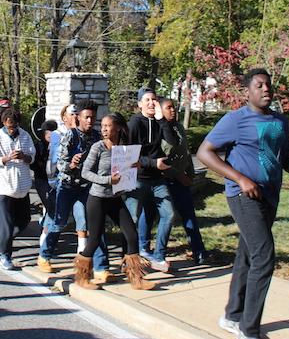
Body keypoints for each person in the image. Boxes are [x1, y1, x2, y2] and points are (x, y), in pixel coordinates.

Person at [197, 68, 289, 339]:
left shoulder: (279, 121)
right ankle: (248, 331)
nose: (266, 89)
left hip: (270, 196)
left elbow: (284, 156)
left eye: (268, 85)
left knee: (248, 255)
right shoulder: (236, 119)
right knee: (264, 256)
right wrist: (239, 178)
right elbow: (205, 152)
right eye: (259, 85)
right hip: (243, 195)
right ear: (247, 91)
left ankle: (233, 315)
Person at [79, 113, 155, 290]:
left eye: (108, 126)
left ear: (118, 128)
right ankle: (81, 278)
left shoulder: (125, 149)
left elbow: (127, 171)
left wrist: (135, 167)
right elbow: (85, 172)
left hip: (115, 199)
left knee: (132, 235)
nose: (104, 129)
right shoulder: (98, 147)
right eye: (103, 126)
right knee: (94, 240)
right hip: (97, 199)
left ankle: (136, 278)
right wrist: (107, 180)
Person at [38, 100, 109, 278]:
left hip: (87, 187)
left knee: (94, 224)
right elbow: (59, 164)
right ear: (78, 118)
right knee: (59, 222)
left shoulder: (96, 137)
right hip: (67, 186)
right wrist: (72, 163)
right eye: (87, 117)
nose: (90, 121)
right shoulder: (69, 135)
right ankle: (44, 256)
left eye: (93, 118)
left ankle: (101, 267)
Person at [143, 98, 209, 265]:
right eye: (169, 108)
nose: (173, 110)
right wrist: (178, 175)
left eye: (174, 107)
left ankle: (199, 252)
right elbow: (160, 158)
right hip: (161, 180)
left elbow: (186, 154)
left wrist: (190, 175)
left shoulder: (178, 128)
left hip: (181, 181)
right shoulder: (157, 130)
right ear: (161, 110)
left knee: (188, 215)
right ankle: (145, 249)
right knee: (151, 215)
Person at [126, 88, 177, 273]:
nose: (150, 103)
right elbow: (129, 154)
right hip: (138, 179)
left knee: (169, 214)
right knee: (133, 218)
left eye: (154, 100)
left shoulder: (159, 123)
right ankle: (130, 257)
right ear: (139, 104)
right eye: (146, 100)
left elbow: (172, 142)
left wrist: (161, 120)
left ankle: (159, 256)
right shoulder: (134, 123)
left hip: (157, 180)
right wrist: (153, 163)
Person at [0, 108, 36, 270]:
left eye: (14, 126)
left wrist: (23, 156)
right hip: (4, 189)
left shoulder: (25, 136)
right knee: (6, 226)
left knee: (24, 221)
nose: (12, 129)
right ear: (3, 123)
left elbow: (32, 157)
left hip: (22, 187)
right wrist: (7, 158)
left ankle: (4, 237)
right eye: (9, 126)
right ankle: (5, 255)